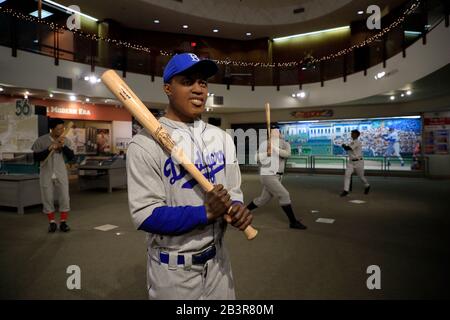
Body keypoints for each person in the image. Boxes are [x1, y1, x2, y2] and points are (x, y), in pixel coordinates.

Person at [126, 53, 253, 300]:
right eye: (187, 81)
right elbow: (145, 214)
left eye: (203, 82)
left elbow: (233, 191)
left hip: (219, 261)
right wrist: (205, 212)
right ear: (167, 88)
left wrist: (236, 208)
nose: (198, 89)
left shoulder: (222, 138)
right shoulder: (144, 144)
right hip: (173, 269)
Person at [246, 126, 307, 230]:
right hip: (267, 174)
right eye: (272, 132)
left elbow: (287, 154)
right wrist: (267, 153)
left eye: (276, 132)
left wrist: (274, 149)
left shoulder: (285, 143)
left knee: (263, 200)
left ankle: (243, 211)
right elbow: (255, 158)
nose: (274, 133)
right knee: (284, 195)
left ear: (280, 134)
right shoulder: (265, 144)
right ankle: (293, 222)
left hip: (278, 176)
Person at [32, 118, 75, 232]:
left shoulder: (65, 140)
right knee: (47, 198)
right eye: (58, 129)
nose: (61, 131)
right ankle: (51, 222)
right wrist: (49, 148)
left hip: (61, 173)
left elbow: (71, 157)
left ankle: (63, 222)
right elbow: (36, 157)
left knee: (64, 197)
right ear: (52, 129)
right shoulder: (41, 141)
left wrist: (63, 147)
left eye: (62, 128)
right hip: (46, 173)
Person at [340, 129, 370, 197]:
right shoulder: (352, 142)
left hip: (359, 162)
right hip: (351, 162)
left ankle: (367, 185)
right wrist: (344, 146)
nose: (351, 134)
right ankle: (346, 190)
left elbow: (348, 148)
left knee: (361, 177)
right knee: (347, 175)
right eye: (351, 133)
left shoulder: (357, 142)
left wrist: (343, 145)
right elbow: (348, 149)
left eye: (353, 133)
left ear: (357, 135)